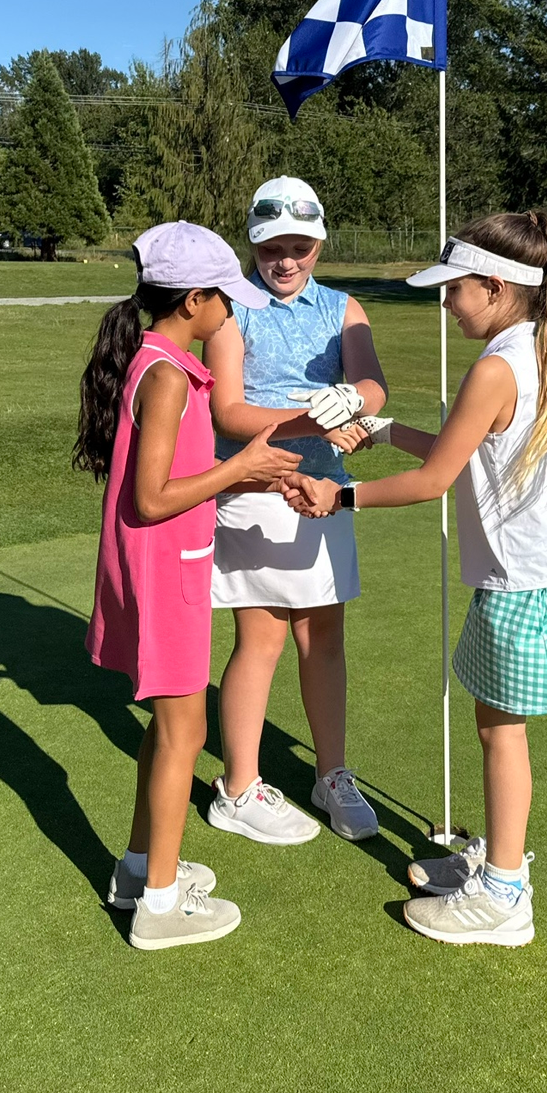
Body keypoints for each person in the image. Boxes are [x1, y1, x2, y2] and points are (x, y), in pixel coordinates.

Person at [283, 211, 547, 948]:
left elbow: (437, 480)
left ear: (494, 287)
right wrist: (383, 428)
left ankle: (502, 894)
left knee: (500, 731)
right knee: (499, 727)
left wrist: (341, 496)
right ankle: (500, 865)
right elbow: (467, 451)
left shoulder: (495, 366)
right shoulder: (536, 347)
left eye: (453, 289)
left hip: (524, 582)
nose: (444, 302)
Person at [75, 220, 303, 951]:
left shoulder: (158, 359)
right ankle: (161, 905)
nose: (231, 314)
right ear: (194, 299)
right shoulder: (169, 373)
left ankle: (142, 869)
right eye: (225, 301)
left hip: (164, 567)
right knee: (185, 730)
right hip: (164, 572)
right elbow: (151, 496)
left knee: (166, 728)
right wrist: (243, 469)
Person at [203, 176, 389, 846]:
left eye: (299, 246)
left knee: (324, 638)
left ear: (318, 243)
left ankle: (332, 773)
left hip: (326, 493)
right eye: (272, 247)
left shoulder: (342, 306)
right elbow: (228, 409)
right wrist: (314, 419)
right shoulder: (230, 308)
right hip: (254, 490)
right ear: (253, 244)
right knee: (262, 640)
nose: (285, 260)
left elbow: (371, 381)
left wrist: (353, 403)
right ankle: (239, 786)